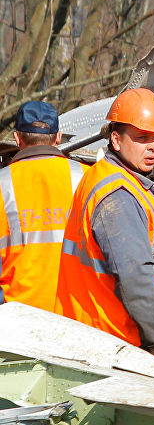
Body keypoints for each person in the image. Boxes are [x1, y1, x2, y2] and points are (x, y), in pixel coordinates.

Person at [56, 89, 154, 363]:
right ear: (116, 140)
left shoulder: (104, 177)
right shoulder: (118, 195)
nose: (152, 146)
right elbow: (135, 276)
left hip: (103, 335)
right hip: (121, 343)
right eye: (142, 138)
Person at [0, 101, 86, 310]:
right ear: (58, 137)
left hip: (19, 316)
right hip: (78, 314)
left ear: (17, 138)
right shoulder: (87, 177)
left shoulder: (2, 183)